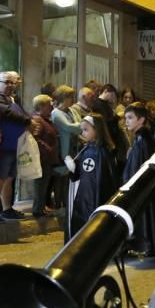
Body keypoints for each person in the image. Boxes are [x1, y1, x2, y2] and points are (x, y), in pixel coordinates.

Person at [0, 71, 37, 222]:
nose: (10, 85)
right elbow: (7, 113)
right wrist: (28, 122)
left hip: (14, 145)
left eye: (12, 82)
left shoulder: (11, 98)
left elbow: (23, 114)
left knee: (8, 178)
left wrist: (29, 120)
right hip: (3, 145)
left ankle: (7, 208)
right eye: (6, 82)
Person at [64, 113, 117, 241]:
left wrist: (74, 170)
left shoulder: (96, 152)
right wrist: (74, 168)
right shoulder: (90, 148)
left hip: (87, 200)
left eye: (86, 129)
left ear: (97, 130)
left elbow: (90, 182)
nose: (82, 133)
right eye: (82, 130)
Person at [123, 101, 155, 255]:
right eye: (126, 118)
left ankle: (145, 245)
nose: (126, 121)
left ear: (141, 119)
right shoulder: (140, 137)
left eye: (130, 117)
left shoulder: (143, 139)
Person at [50, 85, 82, 213]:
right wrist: (80, 126)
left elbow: (78, 124)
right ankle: (58, 206)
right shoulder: (56, 113)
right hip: (63, 149)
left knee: (68, 178)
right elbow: (70, 127)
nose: (73, 99)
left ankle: (67, 204)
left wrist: (78, 126)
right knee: (60, 178)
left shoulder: (71, 110)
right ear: (64, 97)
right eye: (70, 97)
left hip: (74, 148)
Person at [30, 94, 60, 218]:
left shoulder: (45, 119)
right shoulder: (37, 120)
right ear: (41, 106)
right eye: (49, 105)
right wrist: (47, 149)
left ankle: (41, 207)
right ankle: (38, 210)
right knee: (41, 185)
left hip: (47, 157)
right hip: (43, 158)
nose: (51, 107)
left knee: (44, 184)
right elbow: (35, 138)